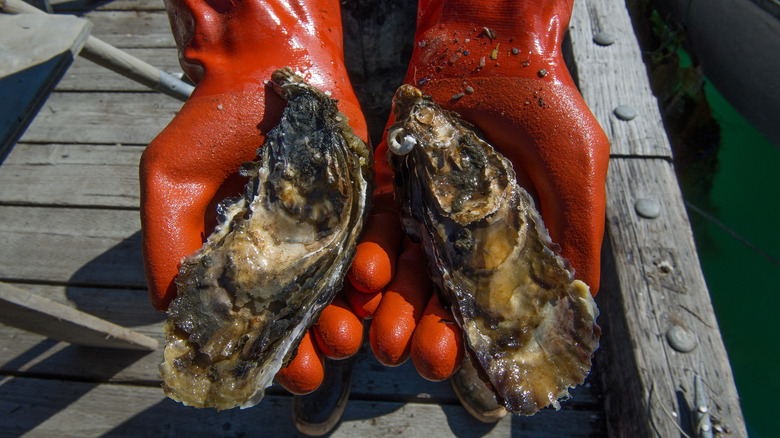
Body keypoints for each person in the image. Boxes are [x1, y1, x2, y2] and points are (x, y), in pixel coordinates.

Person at [140, 0, 609, 434]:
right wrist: (252, 26)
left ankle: (476, 326)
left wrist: (500, 17)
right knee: (357, 235)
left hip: (441, 39)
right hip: (305, 34)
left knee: (396, 163)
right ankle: (312, 323)